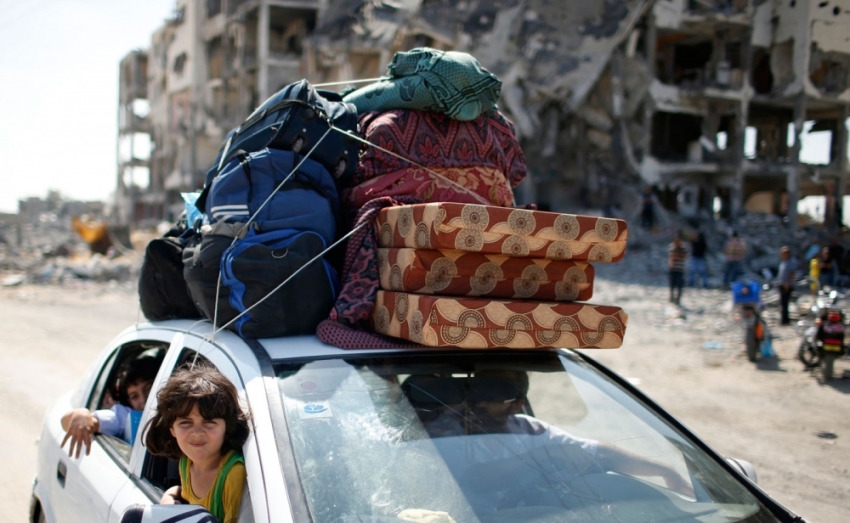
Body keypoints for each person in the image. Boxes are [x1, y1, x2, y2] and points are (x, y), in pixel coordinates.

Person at [418, 370, 692, 506]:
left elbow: (599, 453)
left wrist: (666, 472)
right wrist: (539, 459)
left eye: (493, 393)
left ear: (516, 403)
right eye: (475, 390)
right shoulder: (445, 432)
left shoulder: (528, 429)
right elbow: (476, 479)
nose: (479, 401)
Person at [144, 365, 250, 523]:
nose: (197, 432)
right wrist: (169, 496)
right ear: (172, 429)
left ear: (227, 426)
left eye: (209, 422)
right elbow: (186, 496)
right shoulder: (186, 463)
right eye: (186, 422)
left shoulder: (233, 474)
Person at [61, 355, 162, 458]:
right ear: (129, 402)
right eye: (134, 396)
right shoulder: (124, 417)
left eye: (149, 389)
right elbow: (67, 422)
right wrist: (82, 415)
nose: (144, 400)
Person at [777, 246, 798, 326]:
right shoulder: (783, 262)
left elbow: (792, 273)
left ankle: (785, 320)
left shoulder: (791, 262)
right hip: (782, 285)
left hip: (787, 286)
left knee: (785, 303)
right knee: (782, 303)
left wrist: (788, 283)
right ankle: (783, 319)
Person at [668, 234, 688, 304]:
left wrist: (677, 255)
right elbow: (672, 256)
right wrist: (678, 255)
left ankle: (678, 298)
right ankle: (672, 297)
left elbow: (685, 256)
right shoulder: (672, 247)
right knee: (672, 285)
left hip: (680, 269)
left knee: (679, 285)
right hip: (673, 268)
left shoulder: (683, 248)